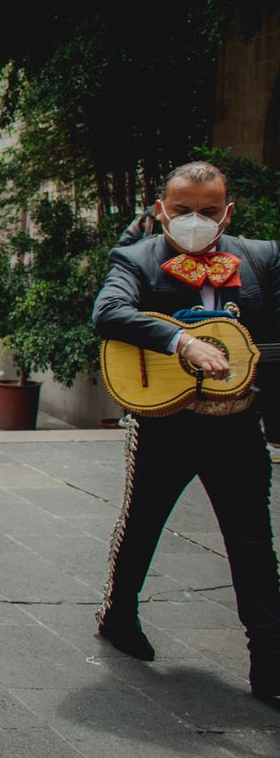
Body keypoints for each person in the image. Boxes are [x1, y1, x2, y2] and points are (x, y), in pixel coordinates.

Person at [92, 160, 280, 710]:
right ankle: (119, 615)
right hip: (165, 422)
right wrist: (182, 343)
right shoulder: (137, 257)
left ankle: (269, 662)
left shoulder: (263, 258)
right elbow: (109, 313)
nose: (194, 221)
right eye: (181, 211)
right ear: (160, 210)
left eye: (207, 211)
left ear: (228, 212)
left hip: (237, 423)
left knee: (252, 545)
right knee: (142, 525)